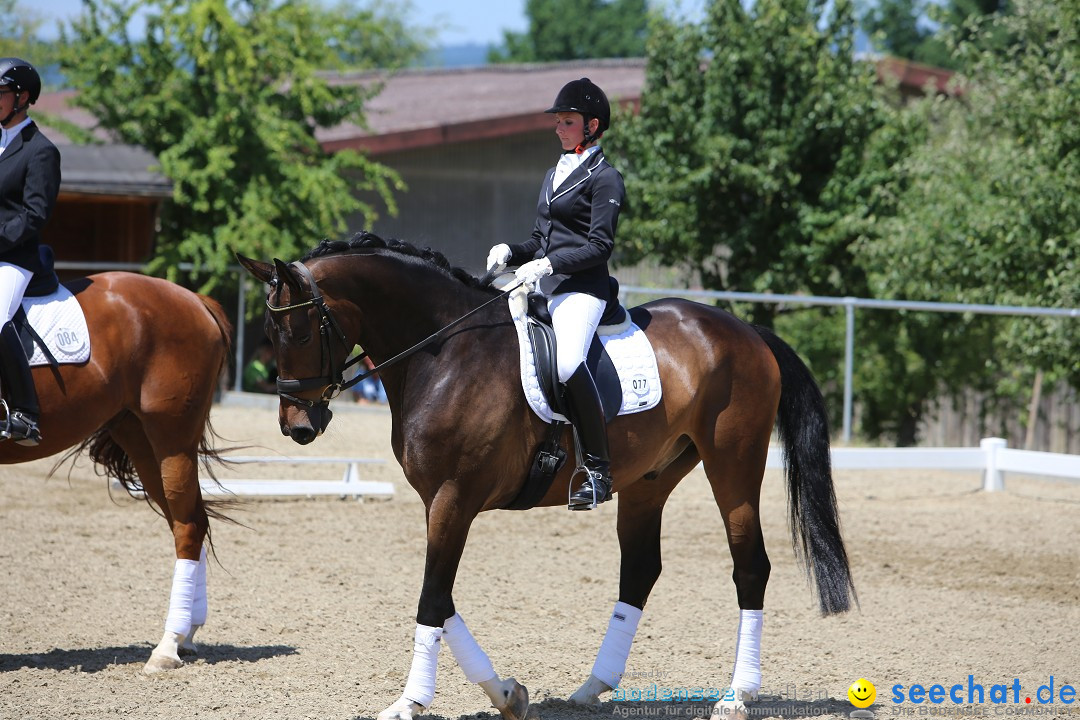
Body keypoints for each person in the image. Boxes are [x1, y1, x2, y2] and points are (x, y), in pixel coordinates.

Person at [486, 77, 625, 510]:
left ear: (592, 125)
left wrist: (549, 264)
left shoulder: (606, 179)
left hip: (582, 288)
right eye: (558, 121)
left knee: (567, 362)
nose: (559, 128)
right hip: (545, 286)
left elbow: (600, 246)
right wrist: (512, 251)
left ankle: (599, 471)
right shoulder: (553, 173)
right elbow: (540, 240)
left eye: (568, 121)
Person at [0, 58, 59, 446]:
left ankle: (25, 413)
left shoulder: (40, 150)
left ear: (22, 97)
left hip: (14, 257)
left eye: (0, 93)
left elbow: (34, 214)